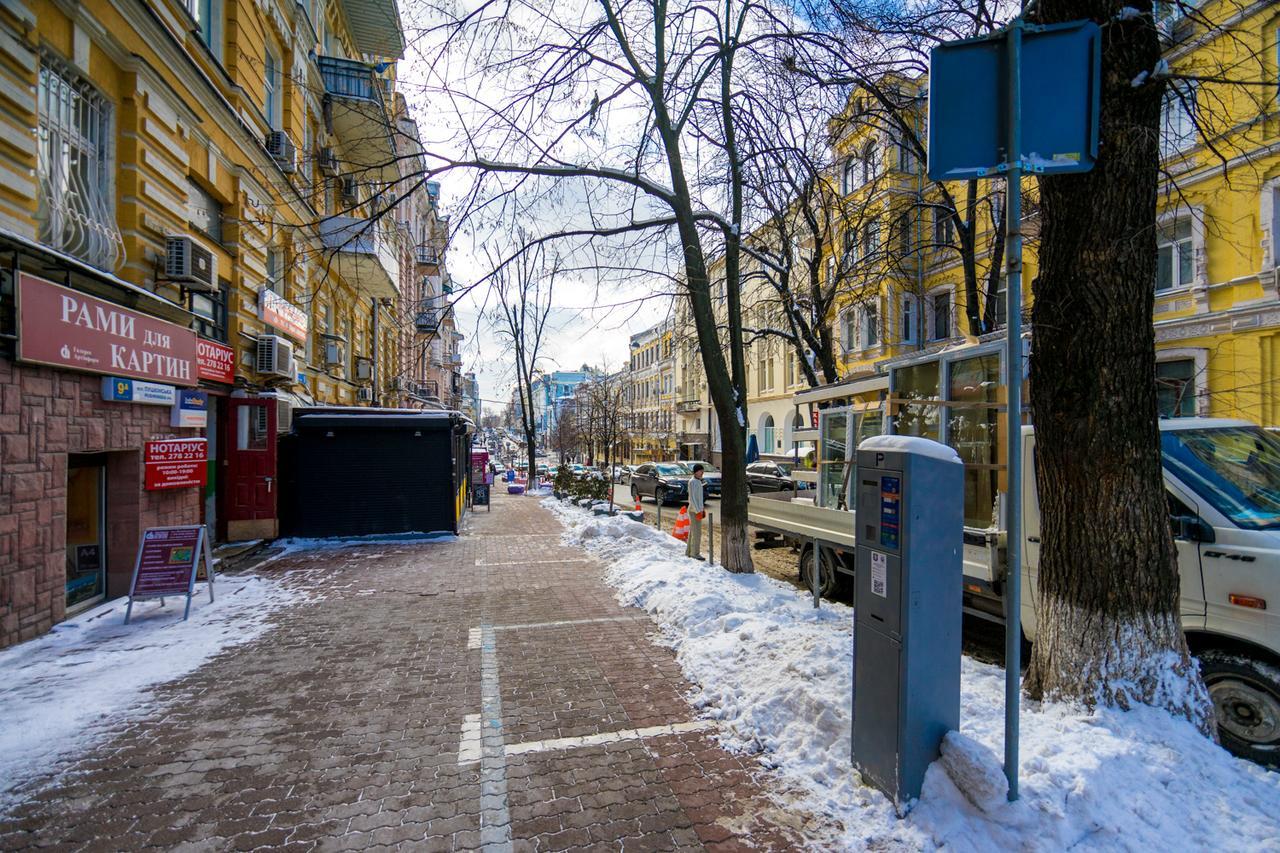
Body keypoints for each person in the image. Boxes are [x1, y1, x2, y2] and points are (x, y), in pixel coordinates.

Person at [686, 463, 706, 561]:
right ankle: (695, 553)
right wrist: (698, 511)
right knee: (697, 533)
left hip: (697, 510)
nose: (702, 473)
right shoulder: (693, 482)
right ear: (696, 471)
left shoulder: (698, 481)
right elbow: (693, 499)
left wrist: (702, 509)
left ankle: (689, 551)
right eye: (701, 471)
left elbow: (699, 499)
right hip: (694, 511)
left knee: (693, 532)